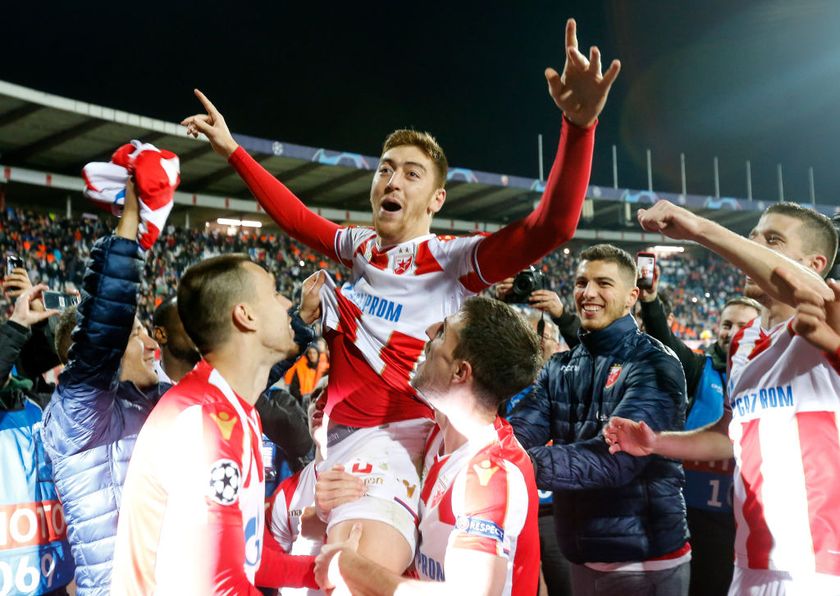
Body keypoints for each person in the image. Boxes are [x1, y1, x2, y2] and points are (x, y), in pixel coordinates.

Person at [183, 18, 620, 575]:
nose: (392, 181)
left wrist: (578, 127)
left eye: (412, 174)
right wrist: (232, 150)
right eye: (386, 169)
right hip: (333, 445)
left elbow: (549, 229)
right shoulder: (361, 245)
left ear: (436, 198)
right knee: (273, 558)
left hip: (392, 450)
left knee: (351, 574)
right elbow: (297, 219)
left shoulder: (453, 263)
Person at [605, 200, 840, 595]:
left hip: (817, 565)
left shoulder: (827, 322)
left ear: (815, 263)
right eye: (754, 237)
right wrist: (656, 442)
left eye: (773, 240)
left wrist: (700, 228)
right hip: (750, 559)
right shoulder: (743, 342)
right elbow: (728, 433)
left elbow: (808, 290)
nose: (753, 246)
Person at [314, 296, 543, 595]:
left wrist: (350, 566)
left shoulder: (491, 475)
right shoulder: (433, 434)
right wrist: (331, 496)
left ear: (460, 372)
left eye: (442, 333)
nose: (428, 332)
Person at [112, 254, 310, 593]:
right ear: (245, 316)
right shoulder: (204, 422)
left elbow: (251, 558)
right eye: (275, 292)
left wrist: (328, 571)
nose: (287, 303)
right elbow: (220, 586)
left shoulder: (236, 410)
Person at [507, 244, 691, 596]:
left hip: (643, 560)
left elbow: (616, 460)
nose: (587, 293)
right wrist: (489, 446)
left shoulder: (655, 363)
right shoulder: (560, 366)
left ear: (631, 296)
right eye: (581, 282)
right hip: (583, 553)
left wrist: (509, 461)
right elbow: (520, 430)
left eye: (603, 283)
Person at [41, 182, 169, 596]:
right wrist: (129, 225)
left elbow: (234, 386)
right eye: (136, 335)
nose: (152, 343)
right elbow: (103, 327)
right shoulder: (75, 418)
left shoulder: (156, 402)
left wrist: (295, 326)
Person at [638, 269, 760, 595]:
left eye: (744, 325)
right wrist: (650, 301)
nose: (732, 332)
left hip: (746, 515)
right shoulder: (698, 368)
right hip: (693, 512)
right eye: (727, 324)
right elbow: (666, 340)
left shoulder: (773, 377)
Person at [0, 284, 74, 596]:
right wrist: (15, 326)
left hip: (52, 580)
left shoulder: (38, 403)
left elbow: (43, 358)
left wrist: (36, 320)